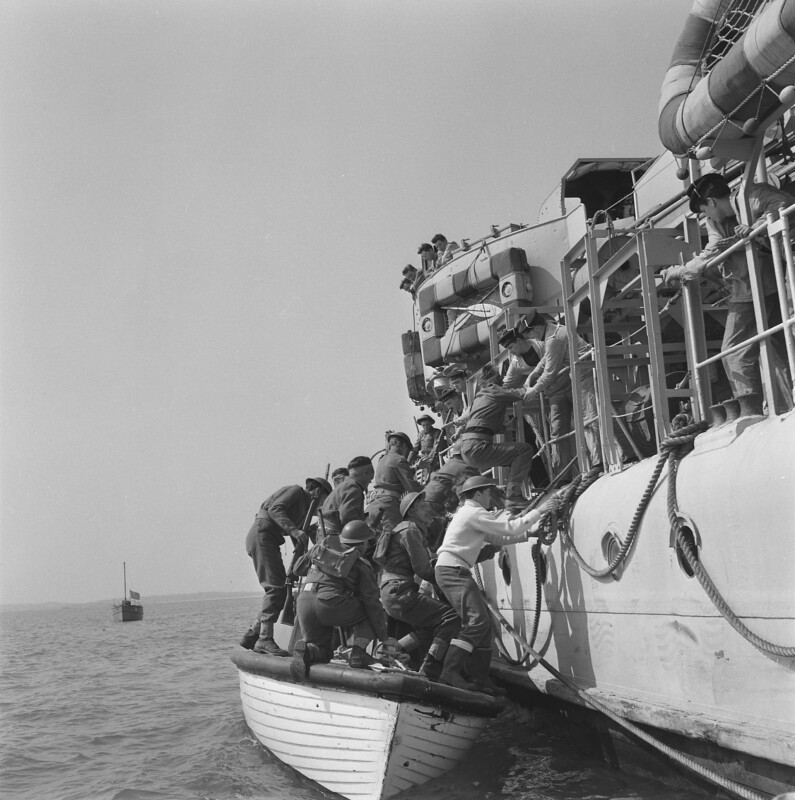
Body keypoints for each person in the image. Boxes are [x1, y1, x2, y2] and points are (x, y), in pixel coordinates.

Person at [661, 172, 793, 401]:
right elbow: (710, 253)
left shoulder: (751, 194)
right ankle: (778, 402)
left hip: (764, 281)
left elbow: (783, 203)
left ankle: (750, 404)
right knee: (773, 342)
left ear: (711, 202)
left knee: (736, 349)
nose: (706, 216)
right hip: (757, 284)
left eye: (704, 210)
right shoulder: (715, 223)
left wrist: (754, 226)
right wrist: (681, 270)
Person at [434, 476, 554, 694]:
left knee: (484, 626)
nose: (491, 498)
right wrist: (541, 510)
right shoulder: (474, 513)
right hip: (453, 571)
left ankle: (480, 680)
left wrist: (529, 534)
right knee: (477, 622)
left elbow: (497, 538)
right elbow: (511, 528)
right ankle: (450, 672)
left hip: (452, 569)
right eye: (488, 493)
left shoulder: (469, 514)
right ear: (478, 493)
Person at [291, 520, 397, 679]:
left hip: (304, 602)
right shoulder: (361, 564)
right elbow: (372, 603)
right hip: (330, 603)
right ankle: (359, 653)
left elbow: (297, 569)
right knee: (372, 612)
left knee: (323, 651)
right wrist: (384, 637)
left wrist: (316, 550)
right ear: (363, 544)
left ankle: (307, 650)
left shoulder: (319, 550)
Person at [503, 311, 602, 476]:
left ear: (535, 329)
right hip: (558, 391)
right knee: (558, 432)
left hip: (578, 379)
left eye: (511, 347)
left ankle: (600, 462)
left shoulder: (550, 340)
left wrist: (534, 389)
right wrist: (533, 375)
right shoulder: (551, 335)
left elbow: (550, 371)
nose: (530, 337)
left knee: (590, 418)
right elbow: (545, 361)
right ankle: (563, 475)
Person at [243, 477, 332, 654]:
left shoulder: (304, 510)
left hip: (269, 538)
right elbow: (276, 509)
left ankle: (253, 633)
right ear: (317, 491)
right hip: (263, 535)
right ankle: (264, 638)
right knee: (276, 588)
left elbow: (298, 536)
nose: (322, 506)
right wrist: (295, 531)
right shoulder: (296, 491)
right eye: (324, 500)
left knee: (281, 588)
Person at [378, 492, 460, 681]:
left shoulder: (406, 529)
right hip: (400, 592)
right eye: (423, 506)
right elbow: (423, 569)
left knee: (431, 626)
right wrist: (451, 582)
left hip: (393, 591)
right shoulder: (410, 530)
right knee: (451, 618)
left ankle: (393, 650)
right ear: (412, 511)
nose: (429, 510)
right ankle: (431, 667)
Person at [458, 364, 533, 512]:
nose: (502, 379)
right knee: (524, 450)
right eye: (499, 376)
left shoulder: (478, 398)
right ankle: (514, 497)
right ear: (492, 379)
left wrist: (505, 427)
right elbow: (518, 394)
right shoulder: (493, 389)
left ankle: (509, 494)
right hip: (477, 447)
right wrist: (535, 386)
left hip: (468, 448)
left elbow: (484, 423)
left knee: (511, 458)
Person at [367, 432, 422, 533]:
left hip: (374, 505)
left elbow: (393, 475)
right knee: (396, 536)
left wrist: (416, 468)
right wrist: (428, 487)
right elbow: (412, 488)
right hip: (388, 506)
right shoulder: (399, 459)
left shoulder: (382, 459)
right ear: (404, 446)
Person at [318, 456, 374, 541]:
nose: (370, 481)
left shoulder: (346, 485)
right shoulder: (353, 488)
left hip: (327, 532)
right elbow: (347, 517)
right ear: (365, 473)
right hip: (333, 535)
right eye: (371, 477)